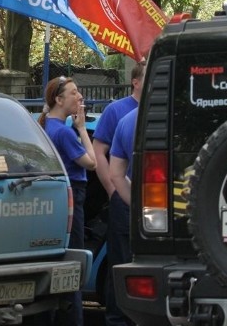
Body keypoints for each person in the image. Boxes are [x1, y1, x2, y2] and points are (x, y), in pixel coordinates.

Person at [38, 75, 96, 326]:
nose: (80, 96)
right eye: (74, 93)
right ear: (59, 100)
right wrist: (82, 128)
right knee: (73, 264)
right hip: (73, 196)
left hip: (54, 199)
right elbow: (92, 163)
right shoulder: (64, 133)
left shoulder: (44, 127)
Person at [92, 61, 145, 326]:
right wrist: (114, 189)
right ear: (135, 81)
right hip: (124, 199)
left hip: (152, 205)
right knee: (121, 262)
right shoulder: (118, 112)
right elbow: (98, 151)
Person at [107, 103, 140, 326]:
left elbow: (116, 174)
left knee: (121, 270)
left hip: (132, 205)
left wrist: (137, 205)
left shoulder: (127, 121)